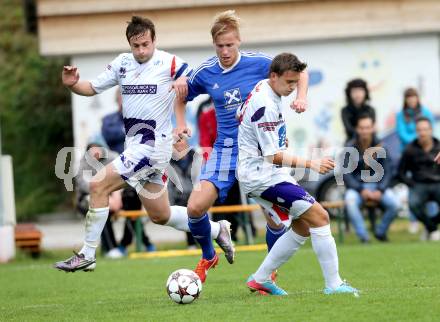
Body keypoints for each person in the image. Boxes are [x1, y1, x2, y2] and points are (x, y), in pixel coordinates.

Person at [54, 16, 233, 272]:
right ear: (129, 44)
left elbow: (195, 80)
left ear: (154, 41)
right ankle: (218, 229)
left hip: (153, 147)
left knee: (98, 184)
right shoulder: (122, 64)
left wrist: (184, 84)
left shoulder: (169, 62)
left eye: (145, 44)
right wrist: (73, 85)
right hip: (134, 147)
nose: (141, 50)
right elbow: (91, 87)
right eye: (136, 46)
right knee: (160, 215)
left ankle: (87, 254)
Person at [174, 10, 309, 283]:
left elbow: (300, 73)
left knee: (274, 220)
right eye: (220, 46)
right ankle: (208, 254)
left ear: (239, 41)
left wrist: (301, 97)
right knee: (195, 207)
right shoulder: (207, 71)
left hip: (260, 151)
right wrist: (180, 125)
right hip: (225, 150)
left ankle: (267, 276)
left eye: (230, 45)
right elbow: (182, 94)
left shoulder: (259, 63)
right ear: (214, 44)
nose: (225, 51)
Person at [237, 53, 357, 296]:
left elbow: (302, 74)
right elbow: (274, 156)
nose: (293, 88)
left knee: (303, 225)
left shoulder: (265, 86)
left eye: (295, 83)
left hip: (265, 172)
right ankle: (333, 285)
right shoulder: (265, 105)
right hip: (263, 175)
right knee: (321, 216)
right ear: (274, 76)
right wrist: (311, 163)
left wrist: (277, 134)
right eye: (289, 83)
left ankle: (260, 279)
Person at [102, 90, 156, 255]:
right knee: (131, 199)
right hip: (117, 169)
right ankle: (142, 241)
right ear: (117, 100)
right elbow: (110, 136)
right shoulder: (109, 120)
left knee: (134, 201)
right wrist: (132, 130)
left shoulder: (142, 117)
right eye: (122, 98)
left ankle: (126, 242)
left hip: (138, 169)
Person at [343, 114, 399, 243]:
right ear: (357, 129)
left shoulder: (381, 146)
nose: (364, 131)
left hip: (378, 187)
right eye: (362, 128)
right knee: (350, 202)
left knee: (395, 204)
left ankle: (380, 232)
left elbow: (388, 171)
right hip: (358, 188)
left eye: (367, 127)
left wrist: (381, 189)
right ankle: (364, 237)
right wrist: (361, 189)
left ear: (373, 128)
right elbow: (346, 174)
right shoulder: (350, 147)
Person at [395, 87, 435, 233]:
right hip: (410, 155)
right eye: (408, 97)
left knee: (431, 185)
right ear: (405, 100)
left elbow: (432, 130)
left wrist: (423, 139)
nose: (411, 100)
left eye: (414, 97)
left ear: (418, 98)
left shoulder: (426, 112)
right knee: (413, 190)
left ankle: (430, 222)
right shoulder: (401, 115)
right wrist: (419, 139)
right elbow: (401, 133)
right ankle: (414, 220)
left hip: (427, 155)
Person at [75, 142, 123, 258]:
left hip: (114, 195)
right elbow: (84, 184)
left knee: (133, 200)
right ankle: (111, 248)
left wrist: (116, 196)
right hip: (87, 198)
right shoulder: (83, 164)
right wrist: (106, 196)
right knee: (101, 212)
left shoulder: (113, 158)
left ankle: (133, 243)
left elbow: (122, 176)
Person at [398, 116, 440, 241]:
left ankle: (429, 226)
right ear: (416, 131)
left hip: (438, 183)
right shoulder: (409, 150)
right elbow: (401, 172)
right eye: (419, 130)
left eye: (425, 129)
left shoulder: (439, 147)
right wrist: (411, 183)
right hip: (419, 184)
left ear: (431, 130)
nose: (422, 133)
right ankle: (432, 228)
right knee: (413, 204)